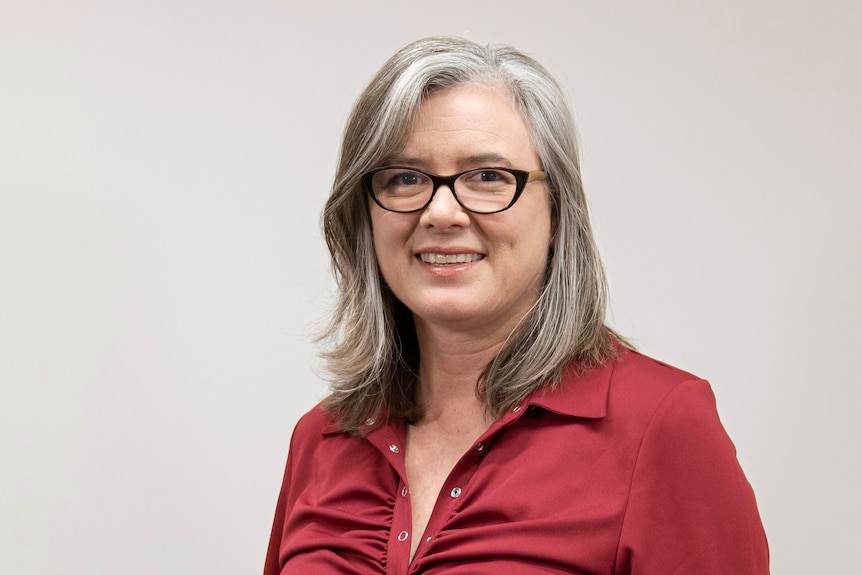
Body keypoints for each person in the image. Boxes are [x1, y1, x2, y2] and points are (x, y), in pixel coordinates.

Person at [264, 36, 769, 574]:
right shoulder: (321, 436)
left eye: (487, 177)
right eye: (404, 178)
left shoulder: (662, 425)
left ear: (558, 210)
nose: (441, 213)